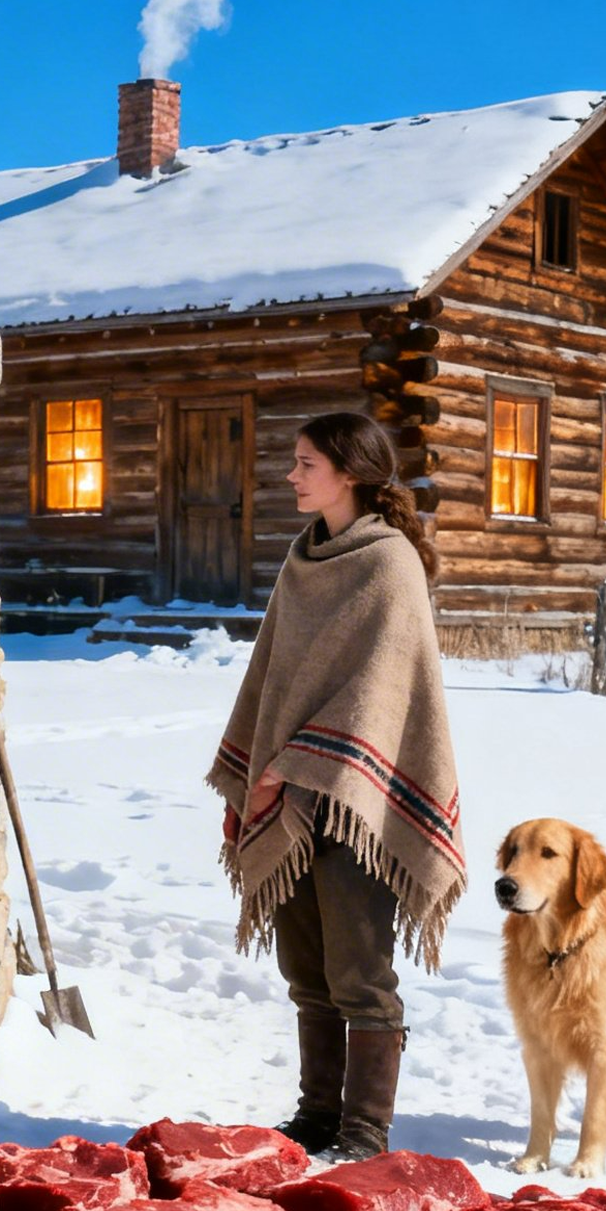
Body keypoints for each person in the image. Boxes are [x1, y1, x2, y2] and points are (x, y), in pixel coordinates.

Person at [208, 412, 466, 1158]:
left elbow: (376, 694)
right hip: (291, 800)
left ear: (349, 472)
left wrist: (283, 768)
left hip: (360, 799)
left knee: (360, 972)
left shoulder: (390, 564)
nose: (291, 475)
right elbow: (273, 677)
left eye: (306, 464)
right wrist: (257, 777)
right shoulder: (303, 559)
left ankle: (365, 1129)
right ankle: (318, 1113)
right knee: (306, 970)